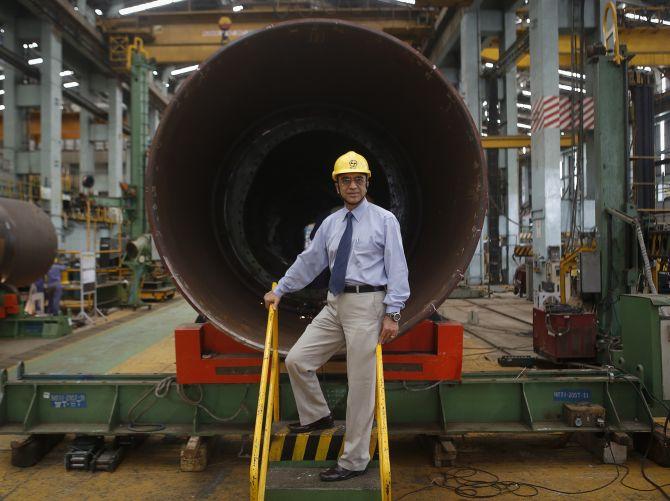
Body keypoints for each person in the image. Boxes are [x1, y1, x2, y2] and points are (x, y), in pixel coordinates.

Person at [263, 151, 410, 482]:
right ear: (337, 185)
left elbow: (397, 269)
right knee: (298, 360)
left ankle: (354, 459)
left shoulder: (385, 221)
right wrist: (282, 289)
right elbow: (310, 260)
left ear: (367, 183)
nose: (353, 185)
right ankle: (317, 416)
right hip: (335, 304)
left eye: (359, 180)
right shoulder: (330, 224)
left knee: (360, 386)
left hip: (368, 305)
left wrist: (393, 314)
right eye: (346, 180)